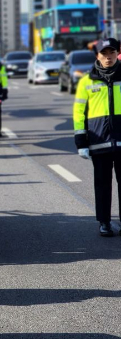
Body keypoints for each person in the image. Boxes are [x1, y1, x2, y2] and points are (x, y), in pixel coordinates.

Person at [73, 38, 121, 237]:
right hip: (98, 141)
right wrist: (81, 142)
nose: (108, 57)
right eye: (104, 53)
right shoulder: (87, 80)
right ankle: (104, 222)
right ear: (97, 55)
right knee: (102, 184)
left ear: (117, 54)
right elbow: (78, 113)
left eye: (111, 53)